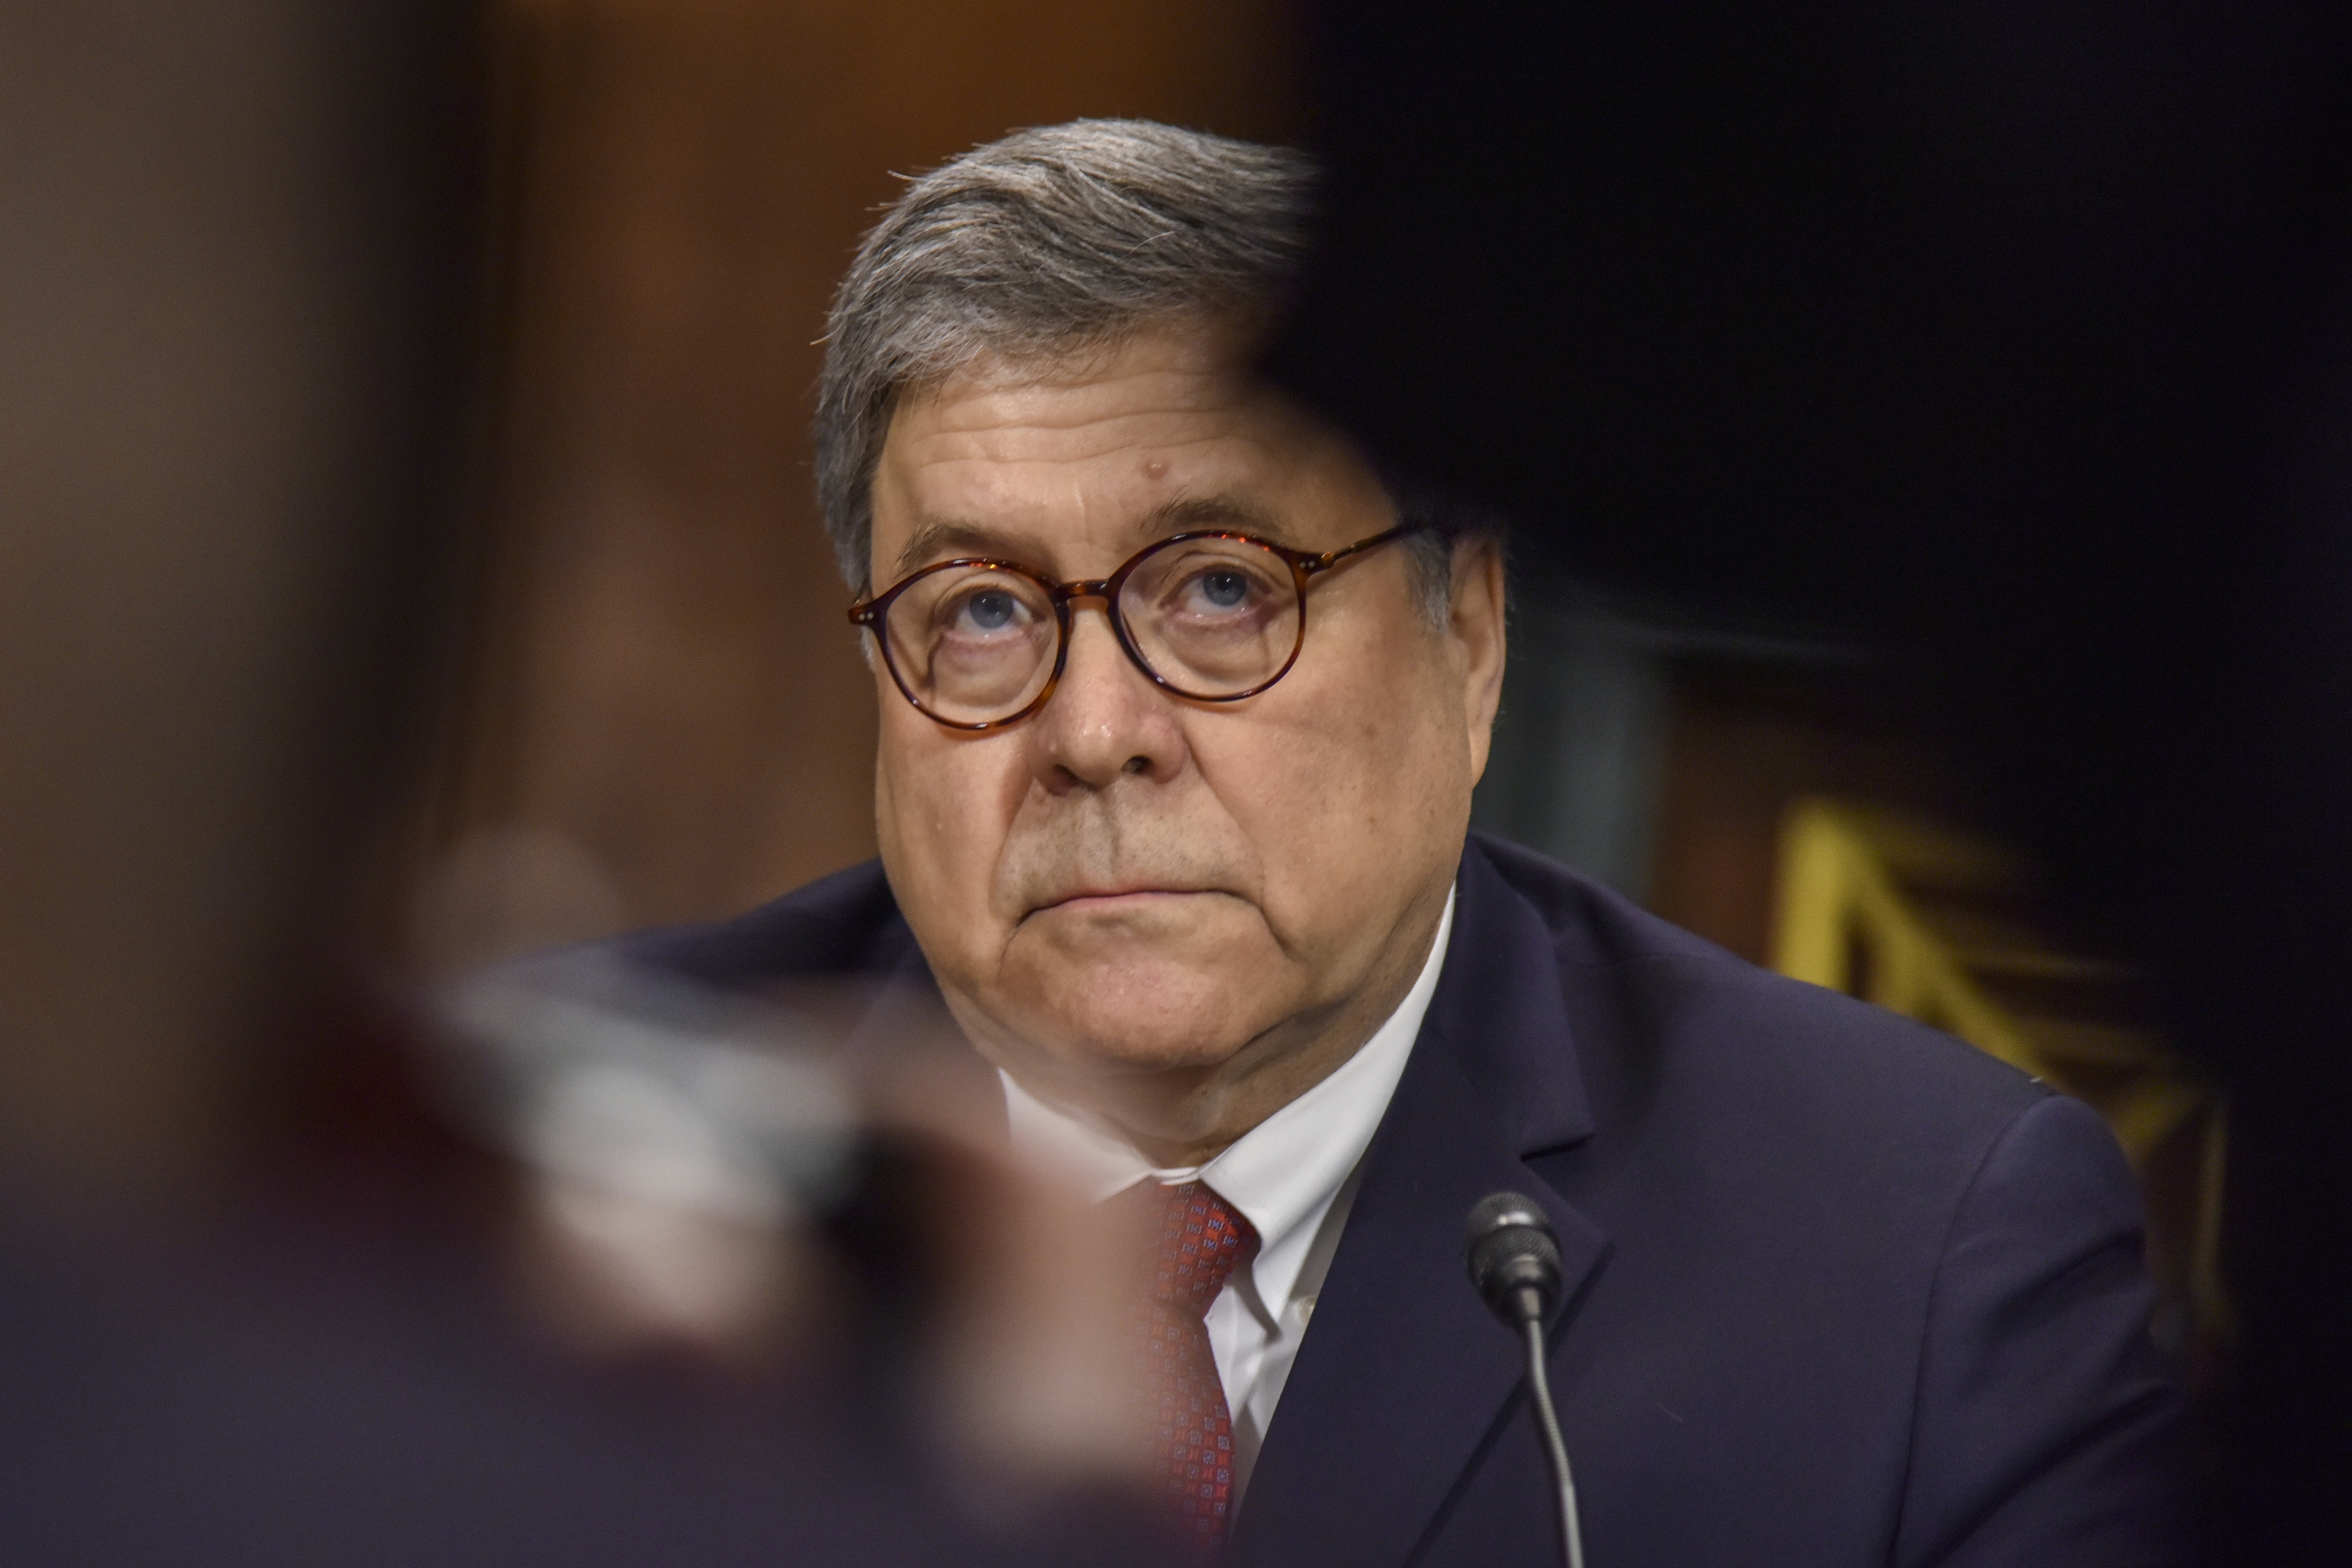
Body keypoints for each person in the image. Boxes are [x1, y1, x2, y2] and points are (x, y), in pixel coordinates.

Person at [616, 119, 2183, 1566]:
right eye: (979, 614)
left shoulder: (1918, 1261)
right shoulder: (569, 1164)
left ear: (1473, 639)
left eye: (1222, 589)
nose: (1096, 732)